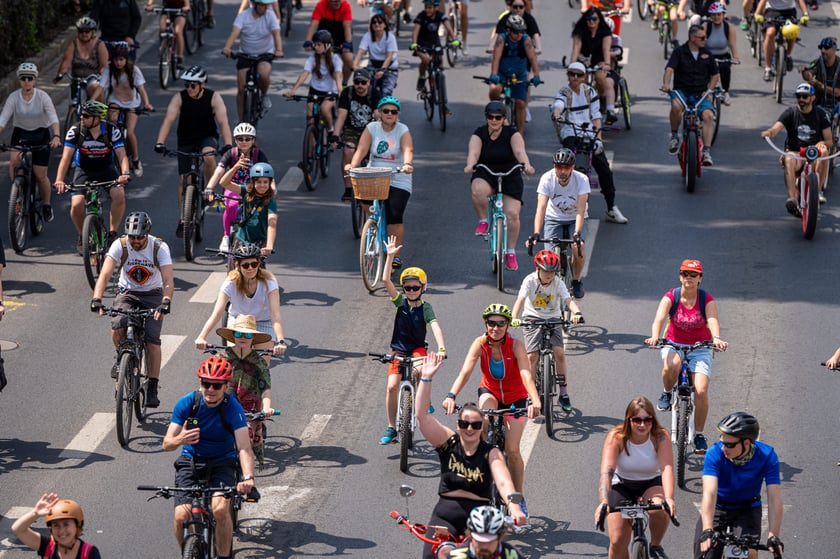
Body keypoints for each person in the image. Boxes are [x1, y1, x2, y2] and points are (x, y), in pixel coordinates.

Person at [417, 353, 526, 559]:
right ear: (457, 425)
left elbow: (503, 482)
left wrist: (514, 507)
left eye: (476, 425)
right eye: (465, 424)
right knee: (433, 555)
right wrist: (426, 378)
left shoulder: (489, 452)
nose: (470, 429)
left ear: (481, 426)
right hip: (444, 516)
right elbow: (422, 417)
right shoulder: (448, 442)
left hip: (478, 521)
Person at [442, 304, 541, 510]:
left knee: (512, 450)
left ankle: (518, 499)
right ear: (485, 324)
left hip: (516, 397)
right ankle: (481, 476)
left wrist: (535, 400)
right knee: (482, 423)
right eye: (491, 323)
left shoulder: (516, 345)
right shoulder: (480, 343)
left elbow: (525, 374)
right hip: (490, 391)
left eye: (500, 323)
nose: (495, 328)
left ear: (507, 325)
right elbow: (465, 371)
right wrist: (451, 395)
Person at [163, 357, 257, 559]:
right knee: (181, 516)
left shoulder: (232, 408)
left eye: (216, 385)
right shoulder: (188, 403)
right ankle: (189, 552)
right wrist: (180, 439)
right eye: (206, 383)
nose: (210, 389)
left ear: (226, 386)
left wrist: (248, 477)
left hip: (222, 462)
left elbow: (244, 448)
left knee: (220, 509)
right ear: (200, 383)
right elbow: (166, 444)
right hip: (191, 462)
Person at [643, 259, 728, 454]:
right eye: (685, 274)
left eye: (693, 274)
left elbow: (713, 320)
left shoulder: (706, 298)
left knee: (700, 390)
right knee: (672, 365)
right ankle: (666, 391)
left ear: (700, 278)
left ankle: (699, 434)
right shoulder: (671, 296)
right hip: (674, 342)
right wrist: (655, 337)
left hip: (701, 347)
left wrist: (716, 338)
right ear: (680, 276)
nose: (688, 278)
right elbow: (659, 318)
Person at [91, 211, 173, 408]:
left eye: (139, 237)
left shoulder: (159, 247)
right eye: (132, 236)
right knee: (118, 325)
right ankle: (122, 359)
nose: (135, 241)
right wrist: (97, 298)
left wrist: (165, 301)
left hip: (153, 293)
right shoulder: (121, 244)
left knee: (152, 340)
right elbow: (105, 273)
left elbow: (168, 280)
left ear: (147, 234)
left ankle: (152, 386)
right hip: (127, 292)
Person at [377, 236, 446, 445]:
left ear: (423, 288)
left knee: (418, 370)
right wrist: (389, 257)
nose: (411, 291)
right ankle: (391, 427)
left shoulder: (426, 308)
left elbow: (435, 326)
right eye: (407, 288)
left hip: (417, 349)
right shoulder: (400, 304)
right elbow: (385, 281)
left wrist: (441, 348)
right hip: (398, 350)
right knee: (391, 387)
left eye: (415, 288)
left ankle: (424, 398)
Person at [154, 65, 233, 238]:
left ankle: (210, 189)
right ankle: (183, 219)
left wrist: (228, 144)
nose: (189, 88)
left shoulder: (213, 97)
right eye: (187, 84)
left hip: (207, 137)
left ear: (202, 85)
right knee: (184, 179)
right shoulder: (179, 98)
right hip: (186, 139)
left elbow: (224, 122)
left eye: (193, 85)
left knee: (209, 157)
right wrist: (160, 142)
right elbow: (168, 119)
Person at [595, 397, 677, 559]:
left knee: (660, 510)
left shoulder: (660, 436)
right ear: (629, 420)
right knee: (618, 540)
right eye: (637, 420)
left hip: (650, 483)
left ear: (653, 420)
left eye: (647, 420)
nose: (642, 425)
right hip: (621, 484)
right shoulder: (616, 437)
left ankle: (655, 545)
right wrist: (604, 502)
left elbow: (666, 468)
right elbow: (607, 472)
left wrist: (669, 498)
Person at [695, 412, 784, 559]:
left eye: (729, 444)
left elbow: (774, 497)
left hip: (747, 508)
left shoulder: (767, 456)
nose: (724, 448)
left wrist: (773, 535)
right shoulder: (714, 453)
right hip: (719, 506)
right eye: (722, 442)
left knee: (749, 554)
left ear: (747, 443)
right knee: (705, 554)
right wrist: (707, 529)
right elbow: (709, 492)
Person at [551, 63, 629, 226]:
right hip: (571, 133)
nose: (575, 78)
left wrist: (598, 138)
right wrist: (557, 115)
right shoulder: (564, 92)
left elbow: (595, 116)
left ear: (584, 77)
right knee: (564, 166)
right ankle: (560, 207)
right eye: (572, 74)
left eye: (579, 75)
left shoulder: (589, 92)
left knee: (604, 169)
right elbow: (558, 106)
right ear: (568, 75)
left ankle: (611, 208)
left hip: (589, 133)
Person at [345, 96, 414, 268]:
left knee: (394, 214)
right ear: (379, 113)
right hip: (374, 173)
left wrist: (407, 164)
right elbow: (361, 150)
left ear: (397, 114)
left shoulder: (402, 130)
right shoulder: (372, 128)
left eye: (393, 112)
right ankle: (373, 221)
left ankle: (395, 255)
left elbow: (408, 149)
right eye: (386, 111)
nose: (389, 114)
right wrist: (352, 165)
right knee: (363, 197)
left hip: (398, 175)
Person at [466, 101, 535, 272]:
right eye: (490, 117)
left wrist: (526, 165)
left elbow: (520, 152)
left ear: (504, 118)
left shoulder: (512, 133)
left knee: (512, 214)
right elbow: (473, 153)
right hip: (486, 172)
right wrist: (471, 164)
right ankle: (483, 220)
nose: (494, 120)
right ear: (486, 118)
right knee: (478, 190)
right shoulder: (479, 133)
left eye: (498, 117)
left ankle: (510, 252)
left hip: (510, 174)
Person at [511, 250, 583, 411]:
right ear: (538, 269)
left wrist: (577, 313)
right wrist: (513, 317)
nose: (549, 275)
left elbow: (568, 300)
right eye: (546, 271)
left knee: (559, 353)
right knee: (532, 356)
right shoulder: (529, 281)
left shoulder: (558, 282)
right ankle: (531, 394)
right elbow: (520, 300)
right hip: (532, 317)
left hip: (553, 318)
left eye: (552, 272)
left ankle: (563, 394)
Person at [53, 99, 129, 252]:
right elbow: (66, 158)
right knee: (76, 204)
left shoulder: (111, 130)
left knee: (119, 195)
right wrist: (59, 179)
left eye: (86, 116)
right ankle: (83, 235)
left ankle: (112, 234)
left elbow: (122, 156)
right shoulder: (76, 131)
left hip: (106, 169)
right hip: (84, 170)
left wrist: (125, 174)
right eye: (81, 115)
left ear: (97, 118)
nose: (82, 118)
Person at [195, 243, 288, 364]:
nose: (250, 268)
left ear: (259, 264)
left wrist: (281, 341)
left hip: (262, 322)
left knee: (262, 364)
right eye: (245, 265)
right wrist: (202, 337)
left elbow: (275, 315)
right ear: (238, 266)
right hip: (238, 322)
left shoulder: (269, 282)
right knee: (235, 361)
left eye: (254, 264)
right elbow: (216, 314)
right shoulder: (230, 283)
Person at [0, 63, 61, 224]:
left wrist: (56, 136)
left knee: (40, 176)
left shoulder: (42, 97)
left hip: (41, 135)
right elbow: (3, 120)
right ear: (20, 80)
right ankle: (17, 194)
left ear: (35, 80)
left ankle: (47, 205)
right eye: (23, 78)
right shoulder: (14, 97)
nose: (27, 81)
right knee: (14, 162)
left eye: (30, 78)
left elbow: (53, 118)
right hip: (20, 134)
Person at [760, 83, 832, 212]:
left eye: (805, 96)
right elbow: (775, 129)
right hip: (796, 153)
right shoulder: (790, 113)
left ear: (812, 98)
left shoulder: (821, 114)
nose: (801, 100)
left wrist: (822, 144)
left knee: (825, 151)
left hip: (813, 154)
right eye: (799, 96)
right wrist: (768, 133)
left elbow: (829, 140)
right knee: (789, 159)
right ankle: (792, 199)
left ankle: (819, 191)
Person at [216, 314, 276, 468]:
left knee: (246, 445)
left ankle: (247, 480)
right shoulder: (221, 358)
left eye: (247, 334)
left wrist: (267, 407)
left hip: (249, 410)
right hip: (224, 406)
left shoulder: (259, 363)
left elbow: (266, 390)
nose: (242, 337)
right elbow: (208, 384)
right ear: (233, 336)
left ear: (253, 338)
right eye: (238, 333)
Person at [528, 151, 589, 299]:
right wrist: (536, 233)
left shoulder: (581, 179)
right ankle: (552, 284)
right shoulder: (547, 179)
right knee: (549, 257)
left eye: (566, 168)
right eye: (558, 167)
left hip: (575, 218)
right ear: (554, 166)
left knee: (577, 246)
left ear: (572, 167)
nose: (562, 171)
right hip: (553, 217)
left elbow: (580, 210)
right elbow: (541, 208)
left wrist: (577, 234)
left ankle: (576, 280)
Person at [206, 122, 271, 253]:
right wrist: (209, 187)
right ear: (235, 140)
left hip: (252, 189)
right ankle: (225, 236)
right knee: (230, 206)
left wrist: (272, 191)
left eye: (248, 138)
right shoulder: (231, 153)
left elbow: (268, 174)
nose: (244, 142)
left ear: (253, 140)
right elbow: (219, 171)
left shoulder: (259, 155)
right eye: (240, 139)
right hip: (233, 186)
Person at [661, 24, 719, 166]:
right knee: (676, 107)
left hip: (700, 94)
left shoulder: (707, 53)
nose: (705, 40)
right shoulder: (679, 52)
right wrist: (667, 85)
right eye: (702, 38)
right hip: (682, 92)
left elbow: (715, 74)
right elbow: (669, 69)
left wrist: (709, 90)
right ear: (692, 38)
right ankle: (674, 136)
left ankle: (706, 152)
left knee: (709, 116)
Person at [97, 41, 154, 178]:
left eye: (121, 59)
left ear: (126, 59)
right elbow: (100, 88)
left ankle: (135, 160)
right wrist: (91, 102)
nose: (118, 63)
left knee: (130, 132)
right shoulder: (109, 71)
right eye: (116, 59)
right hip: (115, 102)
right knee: (112, 123)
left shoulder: (134, 70)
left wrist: (147, 103)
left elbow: (141, 89)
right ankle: (110, 153)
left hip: (132, 104)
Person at [222, 0, 284, 122]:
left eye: (267, 5)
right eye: (262, 5)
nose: (265, 8)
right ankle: (241, 120)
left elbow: (277, 34)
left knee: (264, 74)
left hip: (264, 54)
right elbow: (234, 33)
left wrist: (278, 50)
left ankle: (264, 95)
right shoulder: (243, 16)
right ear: (255, 5)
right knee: (241, 88)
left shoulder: (270, 15)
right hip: (245, 54)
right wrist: (227, 48)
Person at [332, 68, 381, 202]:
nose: (360, 86)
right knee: (348, 151)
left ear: (369, 83)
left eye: (363, 82)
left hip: (369, 130)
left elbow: (378, 114)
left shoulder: (375, 94)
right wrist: (335, 135)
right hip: (351, 129)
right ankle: (348, 189)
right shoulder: (347, 93)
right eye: (357, 82)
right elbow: (341, 116)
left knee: (375, 155)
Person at [488, 14, 541, 134]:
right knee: (494, 89)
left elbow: (533, 59)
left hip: (519, 75)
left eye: (521, 32)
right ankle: (494, 110)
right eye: (516, 32)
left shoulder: (526, 40)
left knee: (521, 103)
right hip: (502, 73)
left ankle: (520, 135)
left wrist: (536, 76)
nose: (519, 35)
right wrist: (494, 74)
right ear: (508, 30)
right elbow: (496, 58)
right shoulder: (502, 39)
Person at [284, 29, 342, 132]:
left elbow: (338, 76)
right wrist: (294, 90)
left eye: (319, 45)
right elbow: (304, 74)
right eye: (314, 44)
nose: (315, 47)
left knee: (324, 109)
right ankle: (310, 145)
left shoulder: (335, 59)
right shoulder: (312, 58)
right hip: (314, 90)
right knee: (310, 121)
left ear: (327, 45)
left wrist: (339, 90)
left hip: (330, 92)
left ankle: (330, 130)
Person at [11, 494, 102, 558]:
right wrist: (35, 513)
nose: (61, 531)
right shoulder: (47, 546)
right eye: (56, 526)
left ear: (77, 526)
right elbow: (18, 529)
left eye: (66, 524)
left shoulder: (89, 553)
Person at [571, 8, 619, 125]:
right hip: (583, 60)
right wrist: (572, 65)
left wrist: (607, 63)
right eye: (589, 19)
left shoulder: (604, 31)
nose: (591, 22)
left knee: (600, 77)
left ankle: (602, 98)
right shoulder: (580, 30)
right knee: (577, 80)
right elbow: (576, 48)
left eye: (594, 19)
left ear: (599, 20)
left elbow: (605, 49)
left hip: (599, 60)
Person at [219, 162, 278, 255]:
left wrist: (269, 246)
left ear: (270, 183)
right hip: (241, 238)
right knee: (235, 266)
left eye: (265, 182)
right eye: (258, 182)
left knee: (256, 267)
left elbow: (272, 223)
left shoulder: (271, 201)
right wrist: (235, 167)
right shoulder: (246, 191)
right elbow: (224, 183)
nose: (262, 185)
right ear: (252, 182)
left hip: (259, 241)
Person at [53, 17, 109, 102]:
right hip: (77, 79)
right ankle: (72, 114)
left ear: (92, 32)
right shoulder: (73, 44)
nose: (84, 34)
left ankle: (99, 114)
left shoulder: (99, 44)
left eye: (87, 31)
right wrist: (60, 73)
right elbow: (66, 62)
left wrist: (101, 76)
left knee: (96, 91)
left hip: (93, 78)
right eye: (81, 31)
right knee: (73, 104)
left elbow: (104, 65)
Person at [410, 0, 457, 95]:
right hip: (421, 44)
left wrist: (454, 39)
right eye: (426, 7)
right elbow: (415, 31)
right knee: (426, 59)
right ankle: (422, 77)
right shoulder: (421, 16)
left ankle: (442, 96)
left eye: (430, 7)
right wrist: (414, 44)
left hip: (435, 43)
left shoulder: (440, 15)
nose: (427, 10)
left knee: (440, 63)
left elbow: (449, 27)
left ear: (436, 7)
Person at [755, 0, 808, 83]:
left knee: (792, 30)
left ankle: (788, 55)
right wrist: (757, 14)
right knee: (770, 33)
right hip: (772, 11)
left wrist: (805, 14)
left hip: (789, 11)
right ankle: (768, 69)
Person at [305, 0, 355, 84]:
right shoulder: (321, 5)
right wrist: (308, 41)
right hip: (325, 35)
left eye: (339, 1)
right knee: (320, 57)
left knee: (348, 59)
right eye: (334, 1)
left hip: (341, 35)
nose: (337, 3)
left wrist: (347, 43)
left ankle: (344, 83)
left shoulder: (346, 5)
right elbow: (313, 24)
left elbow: (347, 26)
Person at [448, 506, 526, 559]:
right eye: (479, 541)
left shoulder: (514, 555)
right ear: (471, 536)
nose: (484, 546)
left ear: (499, 538)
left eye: (489, 541)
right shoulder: (455, 556)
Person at [353, 14, 399, 97]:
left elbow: (389, 57)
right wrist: (355, 65)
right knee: (366, 88)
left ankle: (385, 108)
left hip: (389, 67)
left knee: (386, 92)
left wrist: (382, 70)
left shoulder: (390, 37)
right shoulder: (368, 36)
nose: (377, 24)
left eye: (380, 22)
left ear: (385, 25)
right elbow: (361, 52)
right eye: (374, 22)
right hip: (373, 65)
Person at [702, 3, 739, 106]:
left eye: (719, 14)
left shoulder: (729, 27)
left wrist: (735, 57)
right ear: (710, 16)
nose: (716, 17)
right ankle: (704, 93)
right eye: (713, 15)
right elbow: (700, 44)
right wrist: (701, 55)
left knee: (725, 68)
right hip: (708, 56)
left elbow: (732, 44)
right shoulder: (706, 26)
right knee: (704, 73)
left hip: (723, 56)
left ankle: (725, 92)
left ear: (723, 15)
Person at [799, 36, 840, 116]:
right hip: (819, 101)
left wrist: (819, 85)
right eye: (821, 48)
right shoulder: (817, 62)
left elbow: (837, 92)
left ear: (834, 50)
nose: (823, 50)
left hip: (837, 103)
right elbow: (808, 75)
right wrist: (804, 71)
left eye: (826, 48)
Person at [145, 0, 190, 68]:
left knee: (178, 32)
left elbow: (187, 4)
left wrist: (187, 7)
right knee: (162, 28)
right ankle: (164, 45)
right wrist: (149, 5)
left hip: (180, 10)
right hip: (167, 9)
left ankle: (179, 58)